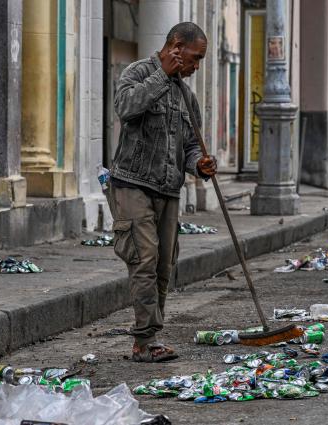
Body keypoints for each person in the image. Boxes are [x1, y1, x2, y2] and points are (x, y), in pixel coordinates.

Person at [110, 22, 217, 362]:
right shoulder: (138, 72)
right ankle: (145, 342)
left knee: (163, 267)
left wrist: (199, 164)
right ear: (175, 46)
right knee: (144, 259)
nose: (196, 66)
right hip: (133, 183)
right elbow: (125, 108)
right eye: (194, 58)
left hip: (169, 190)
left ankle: (151, 334)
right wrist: (160, 78)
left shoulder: (187, 96)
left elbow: (188, 145)